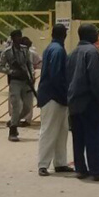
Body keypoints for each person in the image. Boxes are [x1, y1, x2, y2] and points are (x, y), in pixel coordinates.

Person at [67, 24, 99, 182]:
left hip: (74, 101)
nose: (98, 34)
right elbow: (96, 79)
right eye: (95, 32)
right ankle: (97, 171)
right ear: (89, 35)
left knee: (78, 138)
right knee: (94, 136)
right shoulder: (93, 52)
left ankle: (81, 169)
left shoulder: (73, 53)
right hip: (89, 101)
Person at [36, 24, 73, 175]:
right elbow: (57, 76)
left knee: (61, 131)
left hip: (53, 96)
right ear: (64, 35)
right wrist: (65, 96)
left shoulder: (50, 48)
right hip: (54, 96)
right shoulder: (58, 50)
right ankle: (43, 164)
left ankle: (60, 162)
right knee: (50, 130)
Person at [0, 30, 35, 141]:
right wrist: (11, 72)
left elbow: (29, 64)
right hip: (15, 81)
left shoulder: (25, 50)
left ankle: (14, 121)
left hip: (26, 81)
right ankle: (13, 131)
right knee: (16, 105)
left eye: (20, 36)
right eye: (16, 37)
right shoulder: (7, 52)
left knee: (28, 107)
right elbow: (0, 67)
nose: (18, 39)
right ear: (12, 38)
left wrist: (31, 75)